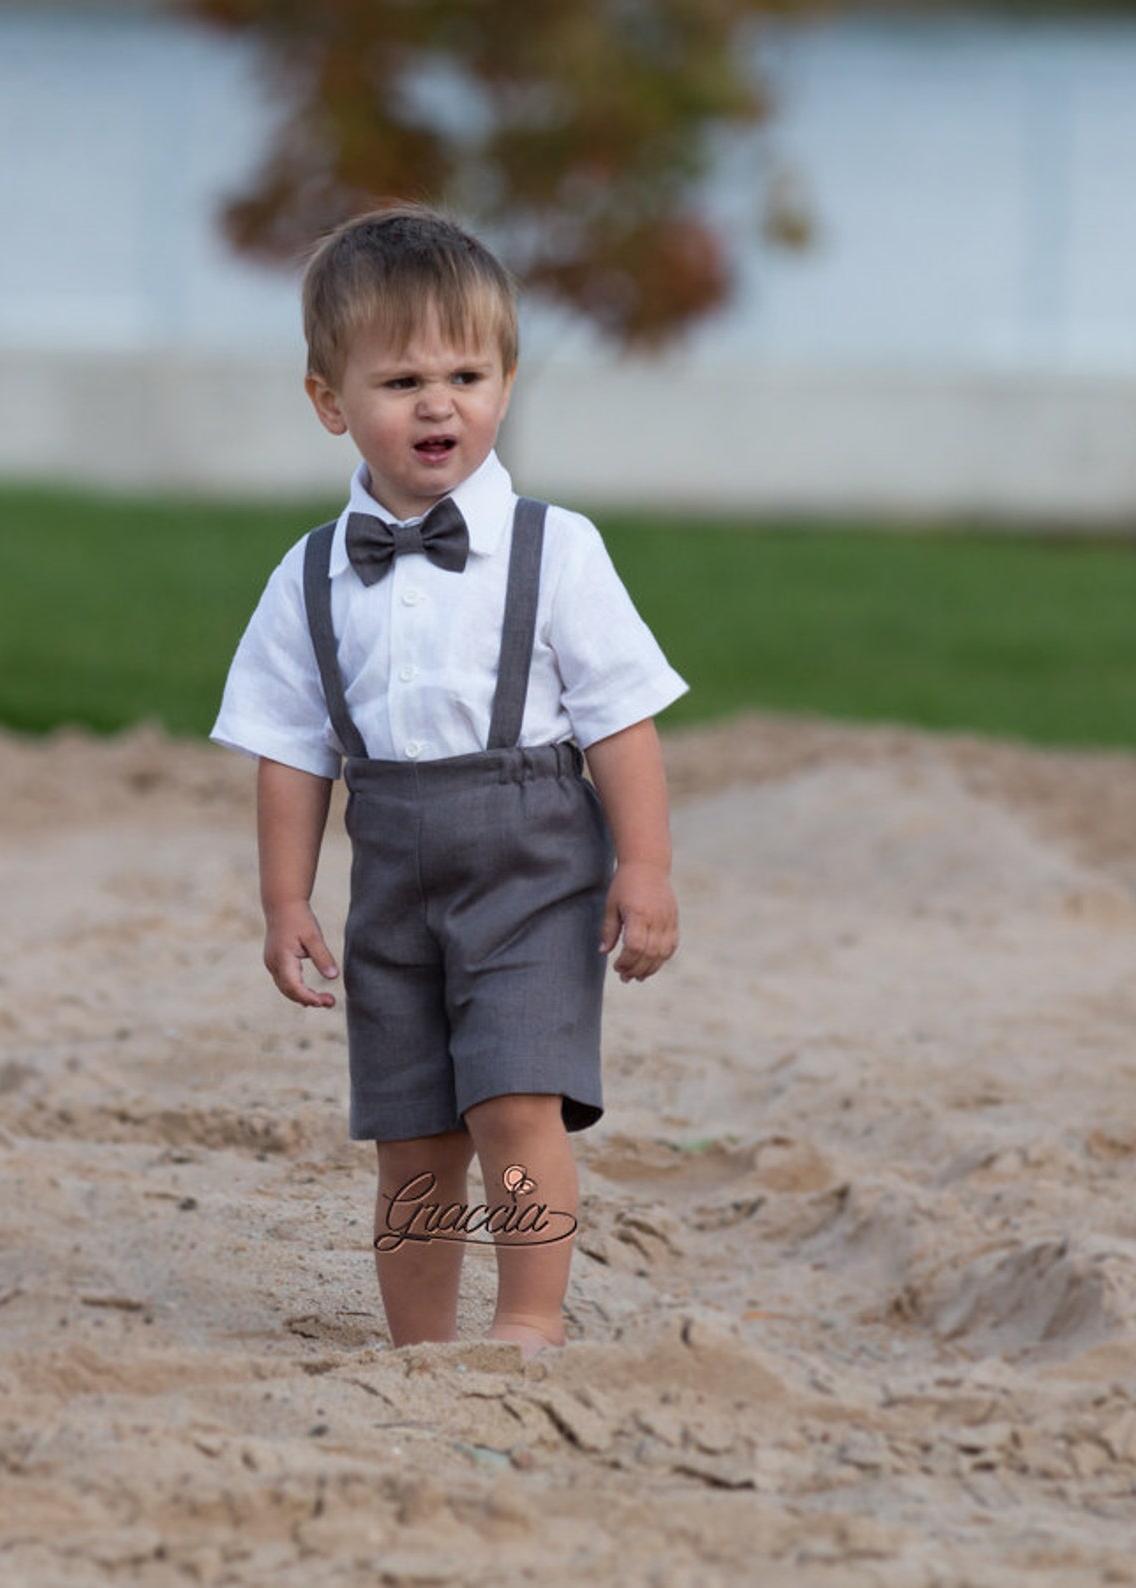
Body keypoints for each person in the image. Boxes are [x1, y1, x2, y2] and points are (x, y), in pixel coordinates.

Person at [212, 204, 687, 1359]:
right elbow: (290, 746)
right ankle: (419, 1340)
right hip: (392, 881)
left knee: (516, 1100)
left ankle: (527, 1316)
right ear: (331, 401)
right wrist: (286, 901)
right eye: (402, 378)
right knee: (413, 1131)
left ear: (506, 384)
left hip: (530, 864)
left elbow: (619, 718)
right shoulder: (312, 571)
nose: (438, 403)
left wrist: (647, 867)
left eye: (466, 373)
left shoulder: (554, 547)